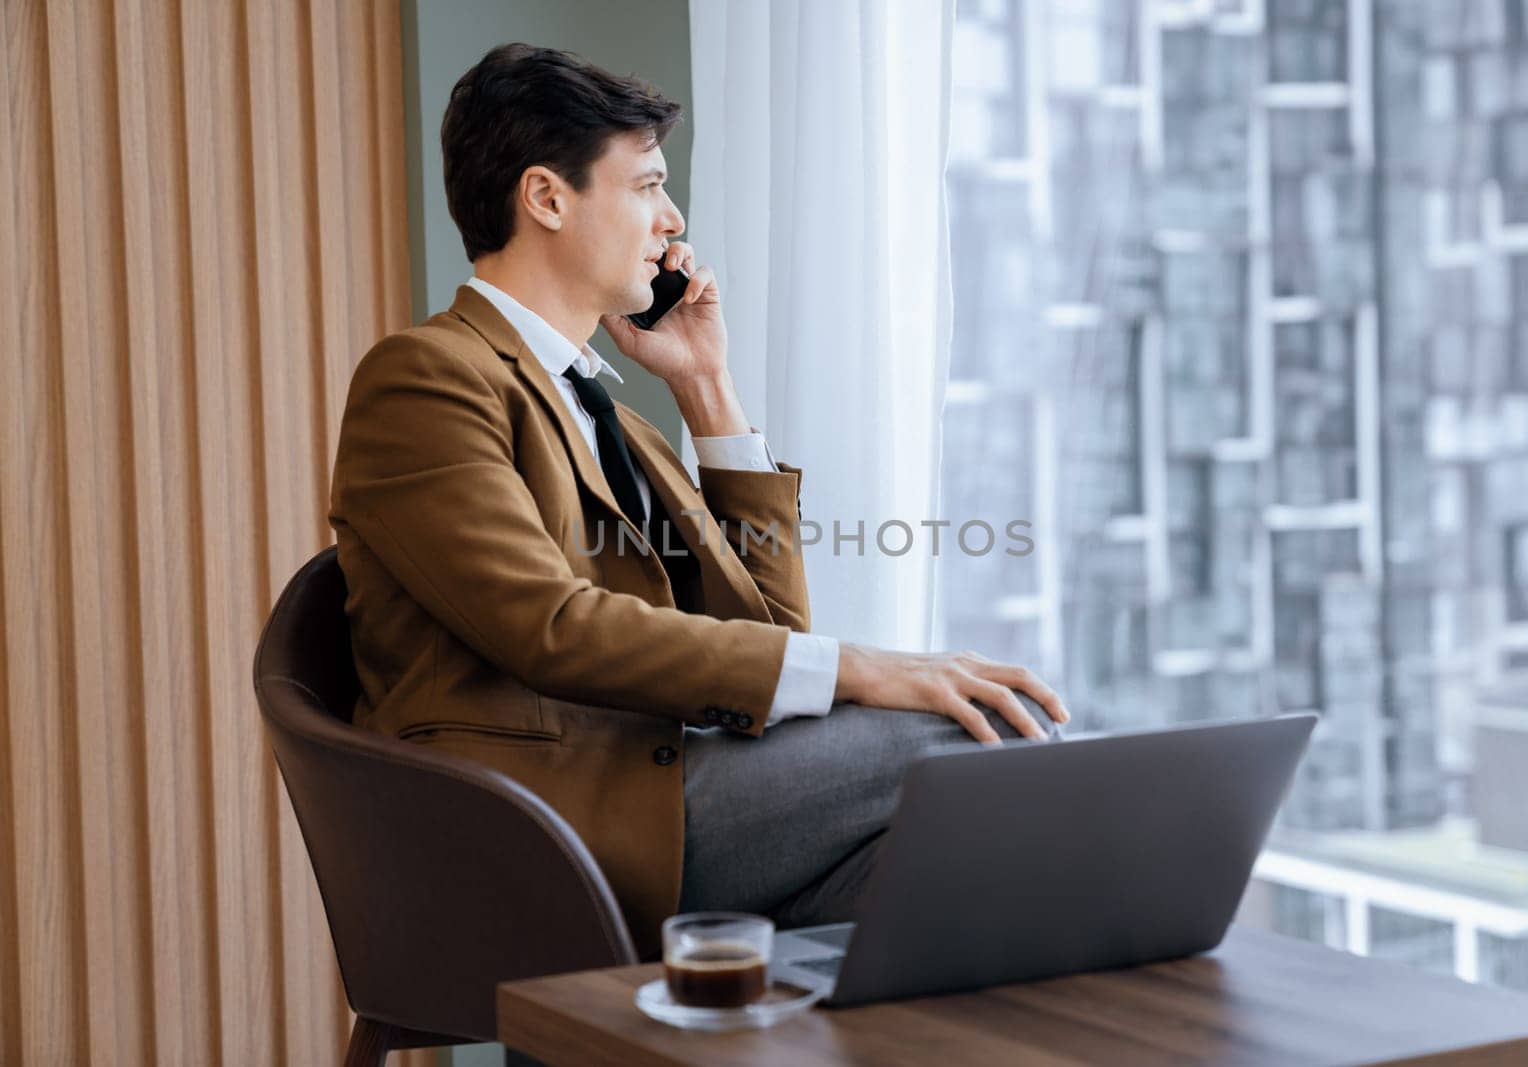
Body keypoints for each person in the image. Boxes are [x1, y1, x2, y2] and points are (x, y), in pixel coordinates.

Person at [329, 43, 1069, 959]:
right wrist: (866, 668)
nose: (672, 219)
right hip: (532, 827)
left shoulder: (614, 417)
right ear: (547, 198)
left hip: (653, 795)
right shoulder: (428, 378)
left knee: (937, 871)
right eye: (645, 186)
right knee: (975, 738)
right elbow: (549, 625)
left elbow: (770, 625)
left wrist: (707, 390)